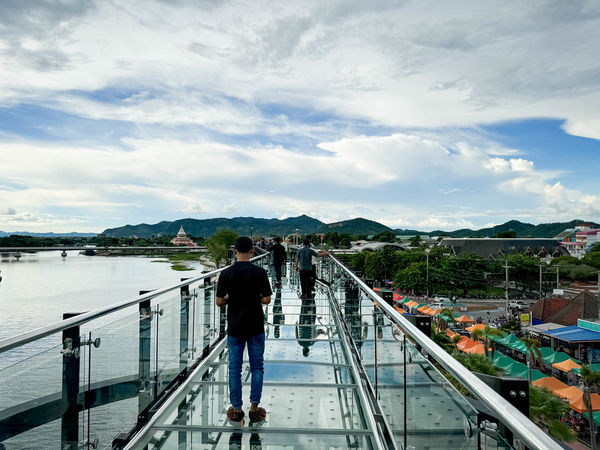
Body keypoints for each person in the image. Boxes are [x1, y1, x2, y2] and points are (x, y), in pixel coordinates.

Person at [216, 236, 272, 426]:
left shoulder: (225, 274)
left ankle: (237, 410)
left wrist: (232, 299)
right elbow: (267, 300)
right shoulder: (259, 272)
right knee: (257, 367)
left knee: (234, 369)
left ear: (234, 252)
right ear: (252, 251)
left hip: (235, 326)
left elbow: (218, 302)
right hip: (255, 325)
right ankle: (254, 409)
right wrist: (253, 297)